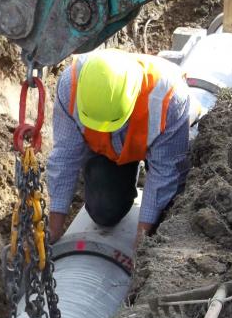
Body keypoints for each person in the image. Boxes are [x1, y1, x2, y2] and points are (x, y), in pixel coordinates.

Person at [47, 49, 195, 246]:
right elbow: (65, 155)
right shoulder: (70, 85)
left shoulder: (169, 99)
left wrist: (141, 244)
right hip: (110, 152)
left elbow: (165, 173)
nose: (103, 129)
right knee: (104, 211)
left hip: (166, 144)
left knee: (166, 219)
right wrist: (53, 229)